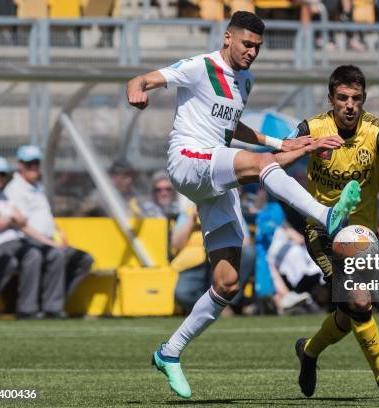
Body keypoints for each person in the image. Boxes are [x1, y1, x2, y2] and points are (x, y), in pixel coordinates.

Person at [126, 11, 361, 399]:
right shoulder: (200, 66)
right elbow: (144, 79)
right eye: (246, 44)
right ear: (227, 38)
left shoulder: (245, 81)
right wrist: (137, 90)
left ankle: (169, 352)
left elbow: (231, 128)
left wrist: (284, 144)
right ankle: (326, 214)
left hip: (214, 172)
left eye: (257, 47)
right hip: (188, 160)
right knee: (261, 165)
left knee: (228, 282)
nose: (252, 52)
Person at [288, 65, 379, 402]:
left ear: (363, 100)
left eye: (356, 99)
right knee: (360, 301)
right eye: (343, 98)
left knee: (349, 317)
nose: (350, 105)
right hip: (322, 228)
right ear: (331, 99)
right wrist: (307, 147)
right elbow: (281, 154)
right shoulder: (312, 128)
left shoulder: (378, 133)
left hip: (361, 236)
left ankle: (309, 351)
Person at [5, 145, 93, 301]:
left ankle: (55, 300)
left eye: (36, 163)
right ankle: (46, 306)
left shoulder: (38, 187)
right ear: (20, 165)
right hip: (29, 242)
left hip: (48, 240)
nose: (33, 167)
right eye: (29, 163)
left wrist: (59, 232)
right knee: (54, 255)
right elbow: (21, 225)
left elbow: (45, 216)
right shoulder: (14, 190)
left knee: (84, 259)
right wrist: (49, 242)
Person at [0, 156, 47, 319]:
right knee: (3, 260)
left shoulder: (3, 196)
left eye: (2, 175)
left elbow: (22, 220)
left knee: (35, 254)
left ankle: (27, 309)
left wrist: (48, 241)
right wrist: (11, 218)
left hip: (13, 241)